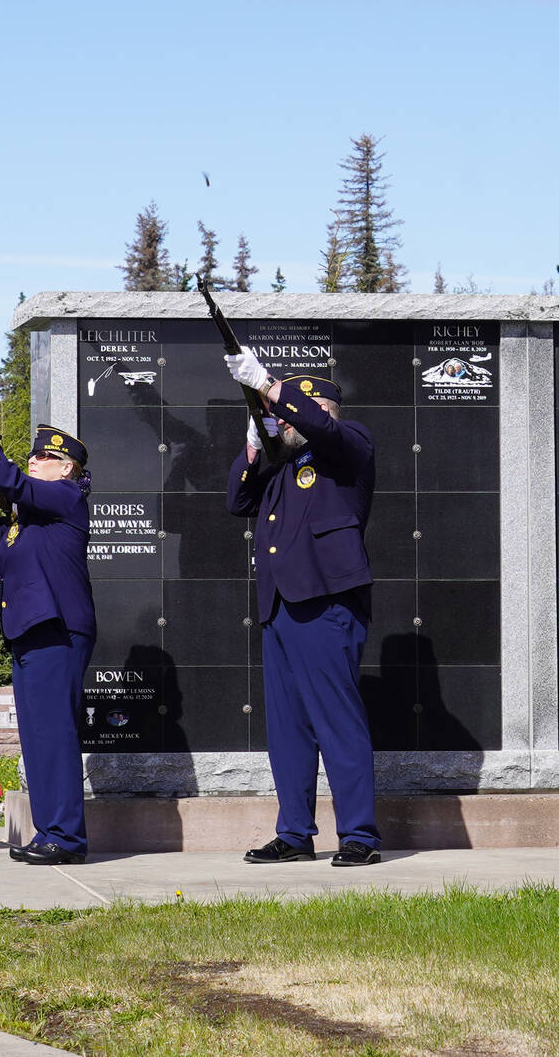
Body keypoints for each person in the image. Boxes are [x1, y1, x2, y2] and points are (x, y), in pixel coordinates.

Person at [224, 356, 382, 867]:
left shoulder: (349, 445)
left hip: (326, 604)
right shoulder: (280, 468)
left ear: (322, 411)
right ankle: (294, 833)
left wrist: (268, 385)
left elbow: (320, 428)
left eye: (290, 414)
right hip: (279, 607)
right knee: (288, 731)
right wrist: (253, 443)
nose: (282, 421)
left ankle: (359, 834)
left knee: (337, 722)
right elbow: (236, 500)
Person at [0, 402, 96, 866]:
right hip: (29, 631)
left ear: (67, 468)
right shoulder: (27, 518)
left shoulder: (67, 498)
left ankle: (67, 838)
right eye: (31, 455)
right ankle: (50, 831)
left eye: (44, 457)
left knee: (54, 735)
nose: (34, 460)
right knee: (37, 738)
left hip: (58, 630)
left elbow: (17, 483)